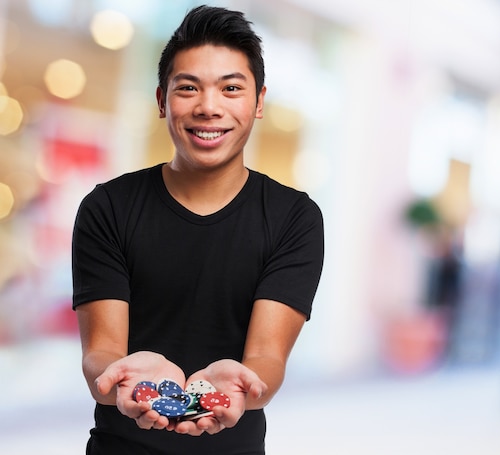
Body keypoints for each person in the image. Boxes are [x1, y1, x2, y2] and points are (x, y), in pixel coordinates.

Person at [71, 5, 324, 455]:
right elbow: (101, 353)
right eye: (188, 88)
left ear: (259, 101)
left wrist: (243, 387)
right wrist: (123, 381)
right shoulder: (107, 207)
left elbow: (267, 357)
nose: (209, 107)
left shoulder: (294, 218)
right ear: (162, 100)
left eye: (231, 89)